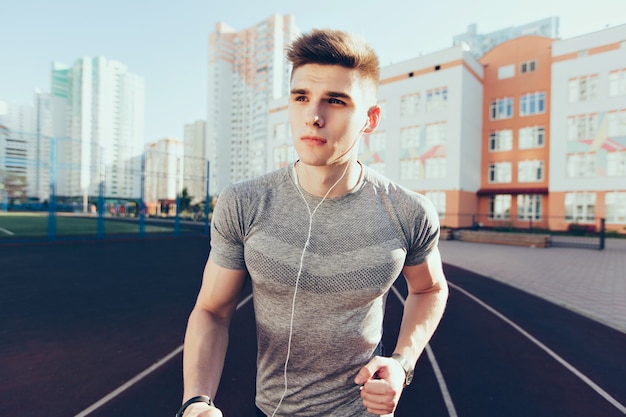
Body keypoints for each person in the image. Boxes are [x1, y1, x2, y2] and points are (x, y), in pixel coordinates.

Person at [177, 28, 449, 417]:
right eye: (301, 97)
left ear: (370, 118)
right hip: (269, 410)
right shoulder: (244, 203)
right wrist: (196, 401)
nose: (314, 116)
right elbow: (212, 311)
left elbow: (430, 289)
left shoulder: (408, 211)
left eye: (335, 101)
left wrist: (401, 363)